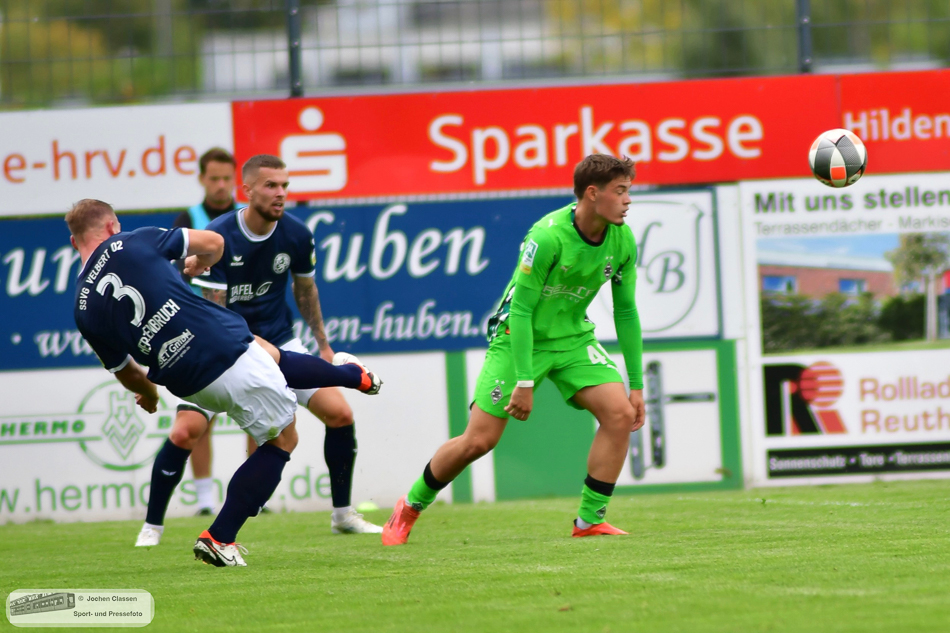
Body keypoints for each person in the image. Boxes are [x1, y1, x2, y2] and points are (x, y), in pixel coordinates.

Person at [68, 199, 380, 566]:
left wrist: (148, 394)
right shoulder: (133, 240)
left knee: (268, 353)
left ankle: (354, 376)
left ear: (75, 242)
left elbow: (127, 371)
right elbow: (215, 243)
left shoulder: (82, 309)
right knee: (283, 438)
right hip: (215, 346)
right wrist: (201, 262)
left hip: (183, 380)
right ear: (111, 227)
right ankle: (220, 536)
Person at [381, 154, 646, 546]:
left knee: (620, 414)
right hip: (517, 337)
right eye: (620, 191)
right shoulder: (547, 236)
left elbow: (625, 311)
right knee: (479, 441)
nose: (628, 200)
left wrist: (636, 385)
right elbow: (520, 311)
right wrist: (524, 380)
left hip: (573, 339)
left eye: (628, 191)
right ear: (593, 193)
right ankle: (410, 506)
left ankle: (589, 520)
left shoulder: (622, 240)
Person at [193, 154, 384, 535]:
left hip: (283, 342)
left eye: (284, 185)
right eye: (270, 185)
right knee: (260, 432)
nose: (280, 193)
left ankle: (343, 515)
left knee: (340, 415)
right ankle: (206, 521)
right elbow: (215, 313)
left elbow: (305, 289)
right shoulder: (217, 236)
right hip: (234, 348)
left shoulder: (297, 234)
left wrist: (323, 345)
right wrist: (250, 347)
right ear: (247, 190)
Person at [172, 147, 238, 516]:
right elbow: (172, 273)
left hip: (244, 326)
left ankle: (255, 497)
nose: (221, 185)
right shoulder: (188, 220)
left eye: (227, 178)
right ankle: (205, 502)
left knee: (257, 411)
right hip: (199, 330)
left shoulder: (248, 217)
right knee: (198, 418)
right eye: (214, 178)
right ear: (201, 179)